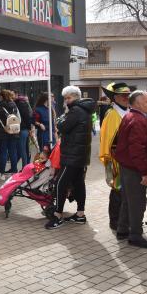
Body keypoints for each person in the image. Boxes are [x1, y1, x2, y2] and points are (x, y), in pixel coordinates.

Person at [46, 86, 95, 230]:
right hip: (80, 154)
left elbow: (63, 127)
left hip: (72, 154)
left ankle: (58, 215)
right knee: (79, 183)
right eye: (65, 98)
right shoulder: (84, 109)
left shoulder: (76, 110)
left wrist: (60, 121)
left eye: (68, 98)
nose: (66, 101)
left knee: (61, 183)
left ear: (76, 97)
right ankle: (80, 214)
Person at [114, 90, 147, 248]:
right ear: (137, 103)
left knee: (128, 200)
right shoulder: (138, 119)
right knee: (137, 202)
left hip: (128, 166)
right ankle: (135, 235)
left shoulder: (131, 115)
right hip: (133, 168)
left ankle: (123, 230)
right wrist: (144, 172)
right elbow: (136, 149)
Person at [99, 82, 131, 231]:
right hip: (117, 159)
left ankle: (125, 220)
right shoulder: (112, 114)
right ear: (115, 97)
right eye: (122, 95)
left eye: (127, 95)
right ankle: (115, 221)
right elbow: (110, 140)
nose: (126, 97)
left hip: (129, 159)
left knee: (127, 192)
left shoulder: (129, 111)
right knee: (117, 190)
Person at [0, 89, 21, 180]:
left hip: (1, 133)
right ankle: (14, 171)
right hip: (13, 132)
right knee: (13, 152)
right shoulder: (14, 106)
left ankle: (2, 173)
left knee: (3, 152)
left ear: (1, 96)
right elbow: (19, 120)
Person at [15, 92, 33, 169]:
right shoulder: (23, 104)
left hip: (21, 129)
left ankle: (25, 168)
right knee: (26, 149)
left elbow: (27, 117)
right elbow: (28, 117)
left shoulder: (19, 104)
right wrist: (30, 128)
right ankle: (27, 166)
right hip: (25, 129)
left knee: (23, 150)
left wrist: (29, 128)